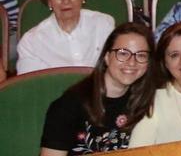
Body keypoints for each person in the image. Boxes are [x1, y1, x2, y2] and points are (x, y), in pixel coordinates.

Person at [39, 22, 156, 155]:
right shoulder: (68, 106)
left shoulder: (149, 101)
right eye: (123, 53)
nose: (132, 62)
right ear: (106, 57)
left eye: (141, 55)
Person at [18, 0, 115, 73]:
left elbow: (114, 70)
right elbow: (31, 86)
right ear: (49, 2)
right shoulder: (31, 42)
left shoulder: (103, 24)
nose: (66, 1)